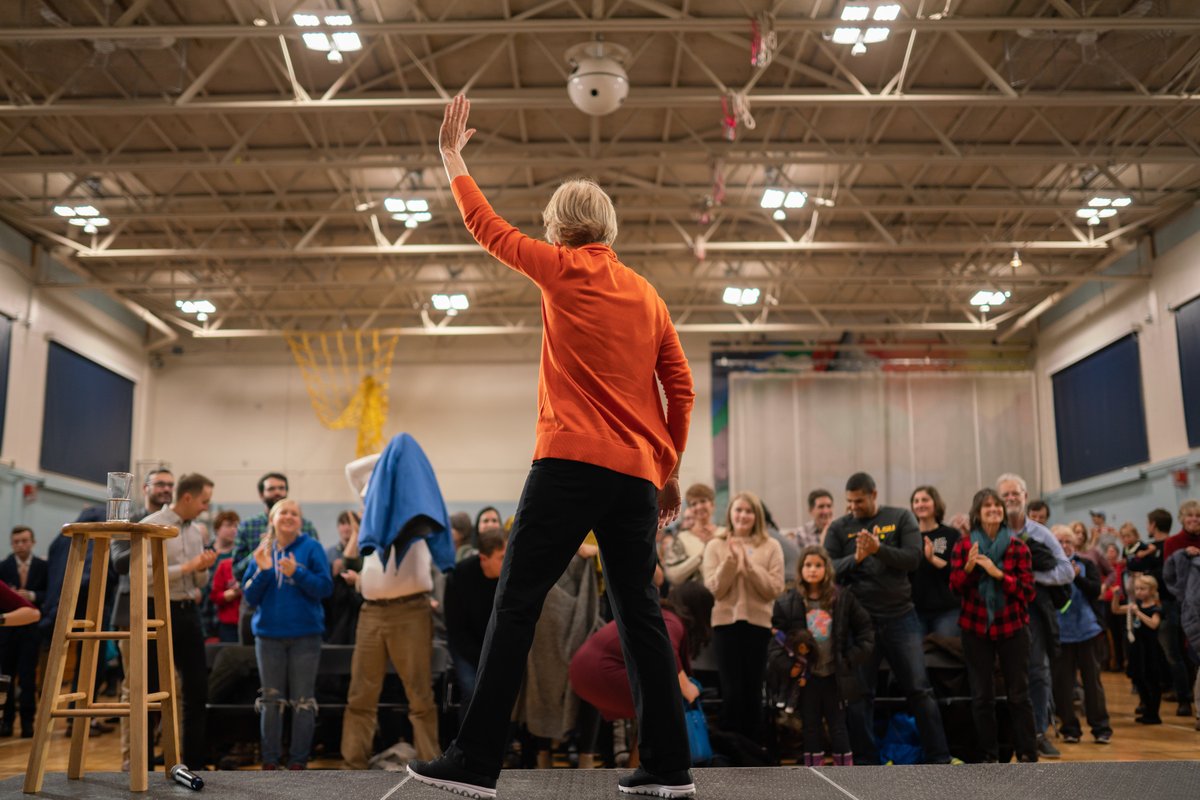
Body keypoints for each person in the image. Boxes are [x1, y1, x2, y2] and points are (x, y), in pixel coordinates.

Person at [408, 95, 696, 800]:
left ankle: (476, 763)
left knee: (516, 604)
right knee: (639, 616)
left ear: (560, 230)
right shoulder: (650, 296)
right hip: (634, 477)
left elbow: (486, 227)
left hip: (567, 465)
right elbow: (680, 391)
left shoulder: (561, 270)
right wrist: (665, 470)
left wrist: (453, 159)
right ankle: (668, 767)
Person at [341, 437, 455, 768]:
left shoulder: (417, 504)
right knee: (360, 693)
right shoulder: (372, 502)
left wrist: (402, 464)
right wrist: (392, 457)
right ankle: (352, 764)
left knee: (420, 694)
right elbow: (352, 470)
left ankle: (429, 762)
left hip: (412, 610)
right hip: (371, 613)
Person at [824, 472, 952, 765]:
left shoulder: (900, 518)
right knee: (860, 697)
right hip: (860, 623)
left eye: (859, 501)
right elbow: (828, 568)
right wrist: (855, 558)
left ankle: (939, 758)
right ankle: (867, 762)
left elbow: (913, 558)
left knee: (920, 690)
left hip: (900, 617)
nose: (854, 507)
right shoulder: (839, 527)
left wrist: (877, 550)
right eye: (850, 502)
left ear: (873, 495)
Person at [114, 473, 218, 771]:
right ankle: (142, 766)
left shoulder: (197, 531)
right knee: (147, 690)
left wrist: (202, 570)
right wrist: (188, 566)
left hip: (187, 611)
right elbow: (141, 575)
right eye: (204, 501)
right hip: (155, 609)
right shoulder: (151, 525)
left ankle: (194, 762)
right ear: (188, 498)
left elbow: (198, 579)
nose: (205, 508)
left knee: (197, 690)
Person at [569, 581, 713, 765]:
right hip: (599, 671)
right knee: (663, 706)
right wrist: (687, 687)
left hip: (585, 669)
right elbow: (667, 650)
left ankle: (641, 769)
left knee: (654, 707)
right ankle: (646, 770)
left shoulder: (663, 615)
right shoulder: (672, 622)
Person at [948, 488, 1037, 763]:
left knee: (1019, 696)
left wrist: (998, 574)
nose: (993, 510)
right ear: (977, 512)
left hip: (1013, 627)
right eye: (987, 506)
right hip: (975, 629)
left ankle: (1026, 754)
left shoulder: (1018, 546)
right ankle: (989, 755)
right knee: (982, 698)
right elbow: (954, 588)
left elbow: (1028, 592)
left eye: (997, 506)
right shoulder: (963, 547)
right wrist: (969, 568)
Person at [242, 498, 332, 769]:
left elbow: (326, 588)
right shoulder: (262, 552)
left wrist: (299, 573)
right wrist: (266, 571)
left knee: (303, 701)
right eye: (284, 512)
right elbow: (249, 596)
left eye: (295, 513)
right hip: (268, 636)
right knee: (270, 700)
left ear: (301, 521)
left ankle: (298, 762)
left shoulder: (312, 548)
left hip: (306, 637)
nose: (289, 517)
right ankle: (270, 761)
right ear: (272, 519)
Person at [769, 545, 873, 767]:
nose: (813, 570)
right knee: (810, 725)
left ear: (827, 569)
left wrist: (849, 660)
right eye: (808, 565)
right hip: (807, 678)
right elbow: (776, 640)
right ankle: (814, 773)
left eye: (818, 565)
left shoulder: (842, 598)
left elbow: (866, 631)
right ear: (800, 569)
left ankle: (845, 773)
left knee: (838, 725)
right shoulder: (788, 602)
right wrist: (789, 666)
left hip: (834, 676)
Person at [996, 473, 1073, 760]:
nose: (1011, 499)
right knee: (1005, 674)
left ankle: (1038, 732)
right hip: (1001, 611)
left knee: (1038, 672)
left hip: (1032, 611)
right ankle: (1009, 736)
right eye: (1005, 495)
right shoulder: (993, 532)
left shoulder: (1041, 533)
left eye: (1015, 493)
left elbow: (1066, 572)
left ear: (1025, 497)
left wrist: (1028, 576)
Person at [701, 491, 785, 741]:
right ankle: (731, 751)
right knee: (732, 691)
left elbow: (774, 589)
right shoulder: (715, 545)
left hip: (758, 626)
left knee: (753, 690)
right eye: (738, 510)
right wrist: (730, 560)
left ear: (756, 515)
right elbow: (714, 588)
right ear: (730, 514)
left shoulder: (771, 546)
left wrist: (748, 566)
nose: (743, 515)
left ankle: (754, 750)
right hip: (725, 626)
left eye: (748, 511)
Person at [231, 472, 320, 644]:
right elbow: (237, 571)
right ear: (261, 494)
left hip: (296, 604)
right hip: (255, 605)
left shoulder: (306, 526)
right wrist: (259, 552)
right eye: (271, 489)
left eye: (281, 488)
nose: (277, 492)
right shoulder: (248, 526)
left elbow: (317, 569)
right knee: (250, 661)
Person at [1049, 525, 1112, 745]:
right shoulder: (1049, 567)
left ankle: (1101, 728)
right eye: (1060, 542)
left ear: (1074, 545)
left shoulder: (1086, 564)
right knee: (1063, 685)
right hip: (1061, 633)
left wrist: (1076, 577)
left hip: (1087, 631)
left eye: (1068, 542)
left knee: (1092, 683)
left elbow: (1095, 591)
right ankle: (1070, 729)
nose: (1064, 546)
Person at [445, 530, 508, 721]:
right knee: (473, 691)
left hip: (498, 646)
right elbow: (456, 630)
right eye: (502, 557)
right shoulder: (459, 576)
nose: (508, 562)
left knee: (505, 694)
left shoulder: (510, 576)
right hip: (466, 648)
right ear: (483, 558)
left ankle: (498, 747)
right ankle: (467, 748)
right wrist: (481, 658)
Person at [0, 526, 47, 738]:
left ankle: (28, 722)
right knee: (6, 676)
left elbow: (49, 593)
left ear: (32, 542)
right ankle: (6, 721)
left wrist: (31, 595)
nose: (20, 545)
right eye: (16, 541)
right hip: (7, 633)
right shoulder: (4, 566)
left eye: (24, 540)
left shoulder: (42, 566)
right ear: (12, 544)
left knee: (28, 678)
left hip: (30, 630)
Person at [1112, 574, 1170, 724]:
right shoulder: (1136, 604)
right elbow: (1116, 610)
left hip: (1151, 650)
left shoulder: (1155, 608)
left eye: (1142, 589)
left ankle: (1154, 713)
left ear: (1152, 590)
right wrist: (1116, 597)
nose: (1138, 592)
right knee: (1138, 678)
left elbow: (1153, 624)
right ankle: (1146, 707)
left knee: (1153, 681)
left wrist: (1138, 613)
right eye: (1137, 589)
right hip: (1138, 649)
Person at [1161, 499, 1200, 717]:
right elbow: (1168, 576)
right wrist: (1184, 554)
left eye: (1198, 516)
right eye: (1190, 515)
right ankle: (1184, 698)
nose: (1194, 519)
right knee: (1182, 653)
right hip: (1180, 605)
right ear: (1182, 518)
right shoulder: (1173, 542)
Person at [910, 486, 961, 639]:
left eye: (925, 500)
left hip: (947, 610)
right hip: (915, 610)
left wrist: (932, 559)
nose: (920, 504)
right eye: (916, 501)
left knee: (945, 651)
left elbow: (956, 572)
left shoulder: (950, 534)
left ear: (935, 504)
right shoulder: (907, 537)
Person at [662, 484, 718, 586]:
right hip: (694, 597)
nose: (699, 506)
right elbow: (673, 576)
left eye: (703, 501)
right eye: (694, 504)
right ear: (690, 509)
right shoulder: (680, 539)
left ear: (712, 505)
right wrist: (702, 554)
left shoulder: (725, 534)